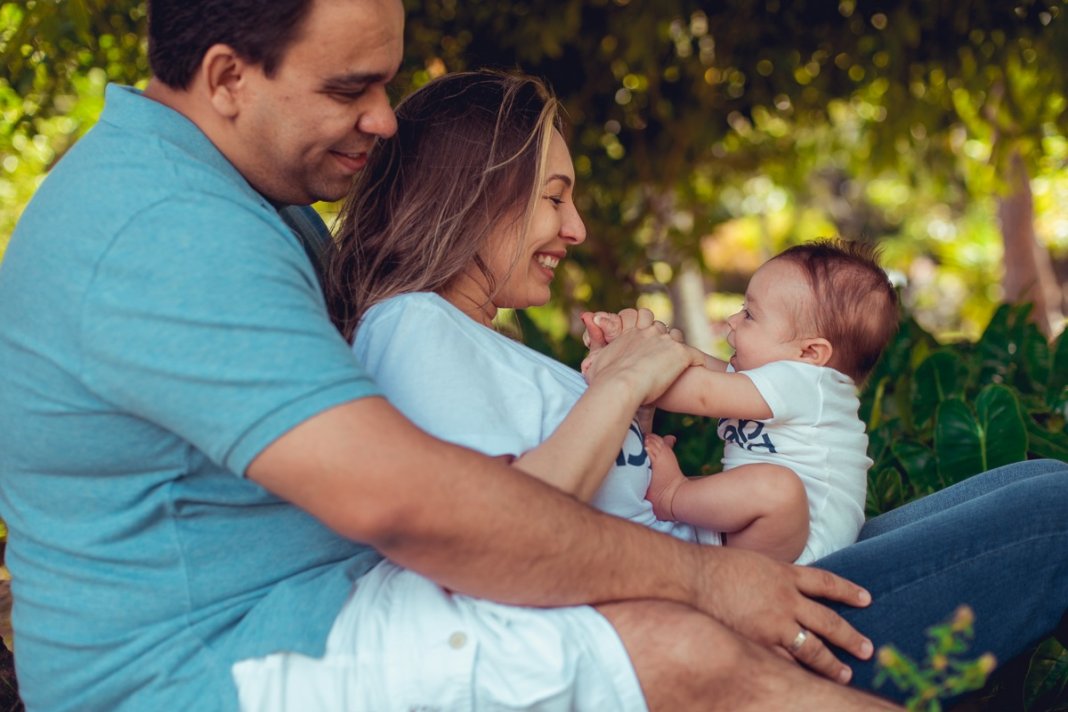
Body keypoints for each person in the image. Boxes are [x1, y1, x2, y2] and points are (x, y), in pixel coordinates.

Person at [0, 1, 1060, 710]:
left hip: (321, 614)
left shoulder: (239, 206)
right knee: (689, 643)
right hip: (214, 670)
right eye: (349, 89)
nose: (383, 120)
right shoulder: (164, 231)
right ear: (228, 75)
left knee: (1033, 493)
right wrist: (707, 576)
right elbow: (418, 508)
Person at [326, 65, 1068, 707]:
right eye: (554, 198)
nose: (576, 227)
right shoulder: (414, 326)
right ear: (475, 193)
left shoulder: (475, 340)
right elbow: (490, 538)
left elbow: (579, 471)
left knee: (1040, 481)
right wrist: (623, 384)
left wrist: (636, 394)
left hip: (743, 568)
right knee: (1052, 510)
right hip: (723, 623)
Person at [586, 240, 898, 564]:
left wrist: (621, 368)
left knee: (778, 489)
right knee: (762, 487)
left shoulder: (808, 383)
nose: (733, 320)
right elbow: (694, 365)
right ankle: (679, 504)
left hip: (804, 550)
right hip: (758, 538)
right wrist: (629, 340)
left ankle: (673, 495)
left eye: (750, 314)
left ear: (809, 353)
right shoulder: (778, 378)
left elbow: (702, 392)